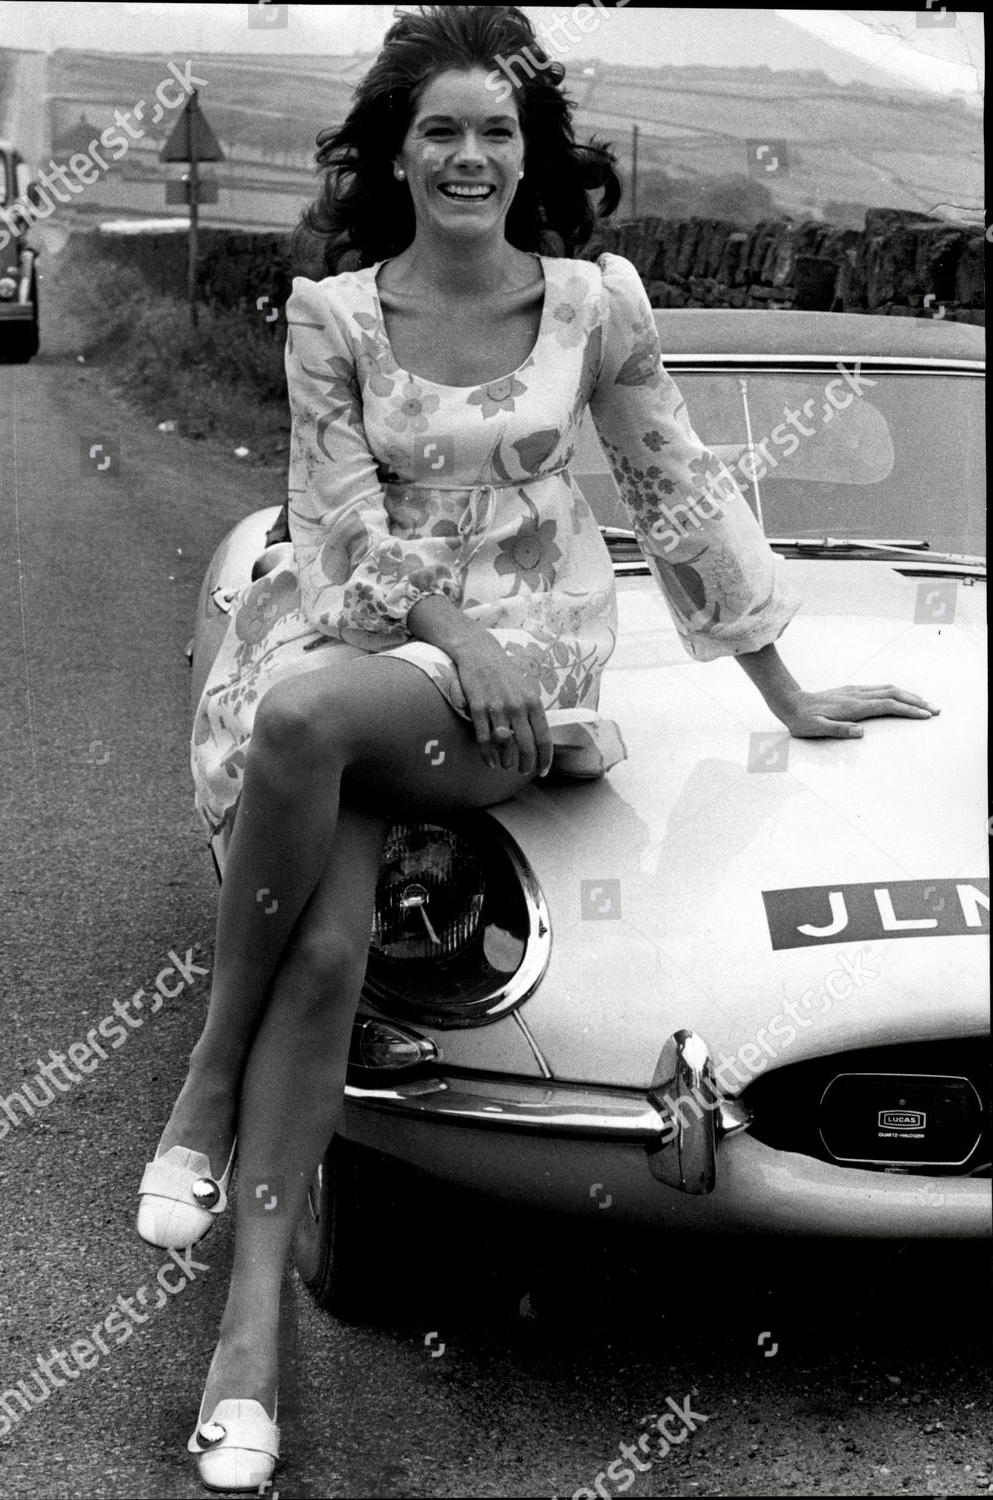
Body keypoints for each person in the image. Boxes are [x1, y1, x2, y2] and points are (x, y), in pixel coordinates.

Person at [137, 6, 939, 1491]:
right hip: (372, 628)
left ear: (531, 154)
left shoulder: (594, 305)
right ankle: (247, 1352)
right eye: (438, 129)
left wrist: (790, 689)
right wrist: (452, 630)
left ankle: (199, 1079)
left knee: (305, 721)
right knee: (327, 956)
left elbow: (676, 485)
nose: (467, 155)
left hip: (519, 682)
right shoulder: (333, 315)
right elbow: (334, 526)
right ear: (393, 151)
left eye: (495, 131)